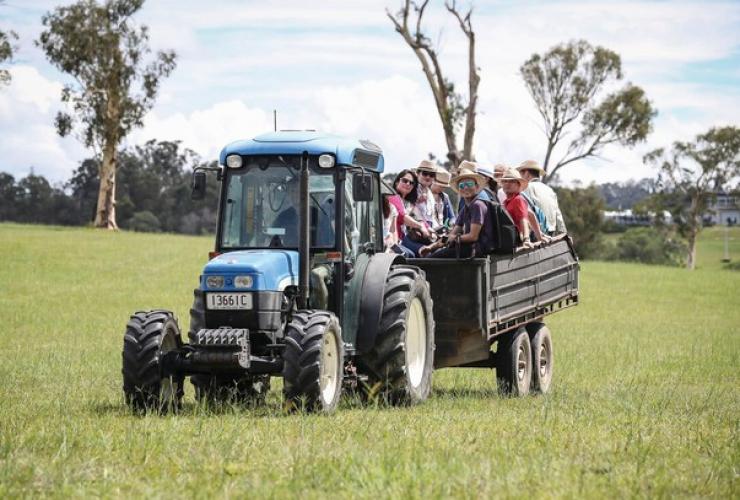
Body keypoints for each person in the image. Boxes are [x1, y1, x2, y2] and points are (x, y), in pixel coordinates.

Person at [427, 166, 493, 258]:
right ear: (458, 189)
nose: (465, 188)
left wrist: (454, 238)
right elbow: (453, 232)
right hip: (467, 247)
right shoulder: (466, 207)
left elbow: (473, 236)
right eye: (462, 185)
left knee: (432, 259)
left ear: (477, 187)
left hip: (477, 249)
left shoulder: (478, 205)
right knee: (431, 256)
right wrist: (431, 247)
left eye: (469, 184)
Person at [517, 160, 567, 235]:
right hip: (551, 232)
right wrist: (563, 232)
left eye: (520, 174)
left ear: (527, 173)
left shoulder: (526, 187)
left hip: (536, 233)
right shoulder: (549, 190)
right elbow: (558, 213)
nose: (520, 177)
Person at [391, 169, 432, 257]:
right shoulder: (393, 197)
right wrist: (420, 226)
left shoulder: (409, 204)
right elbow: (402, 216)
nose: (408, 184)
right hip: (394, 240)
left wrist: (430, 229)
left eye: (411, 183)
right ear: (397, 182)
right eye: (405, 181)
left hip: (405, 239)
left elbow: (420, 218)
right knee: (416, 254)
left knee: (429, 250)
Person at [499, 167, 540, 247]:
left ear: (518, 185)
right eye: (505, 181)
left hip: (517, 242)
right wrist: (540, 236)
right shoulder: (506, 202)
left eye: (512, 181)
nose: (507, 184)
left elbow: (523, 219)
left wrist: (526, 239)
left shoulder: (518, 200)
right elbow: (530, 214)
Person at [414, 159, 438, 228]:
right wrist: (417, 200)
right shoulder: (412, 188)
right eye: (425, 173)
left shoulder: (429, 192)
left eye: (431, 175)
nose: (428, 177)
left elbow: (431, 217)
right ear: (418, 174)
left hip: (429, 228)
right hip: (416, 227)